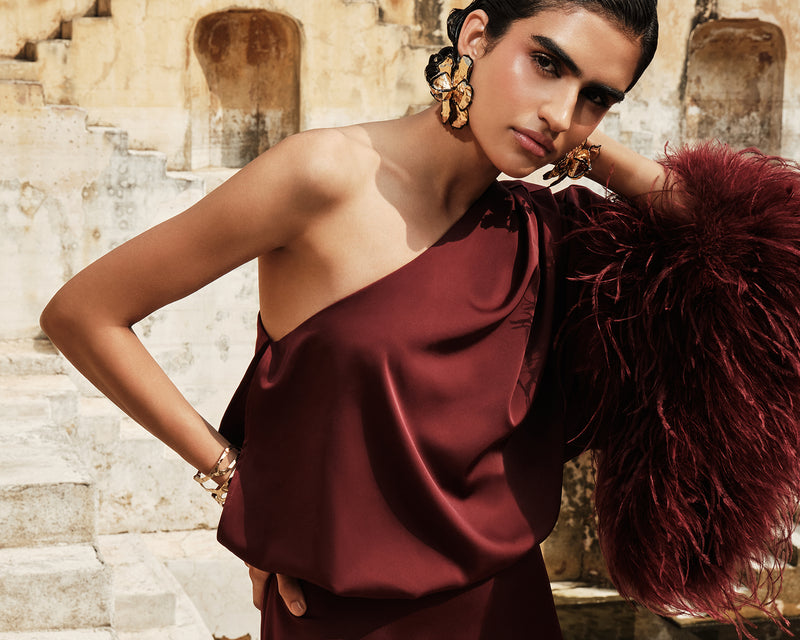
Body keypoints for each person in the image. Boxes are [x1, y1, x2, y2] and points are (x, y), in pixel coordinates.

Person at [39, 1, 800, 638]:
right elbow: (85, 314)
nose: (562, 111)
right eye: (546, 63)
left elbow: (749, 245)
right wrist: (235, 482)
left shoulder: (548, 231)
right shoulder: (323, 175)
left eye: (597, 96)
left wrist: (597, 155)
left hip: (505, 609)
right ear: (476, 36)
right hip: (333, 613)